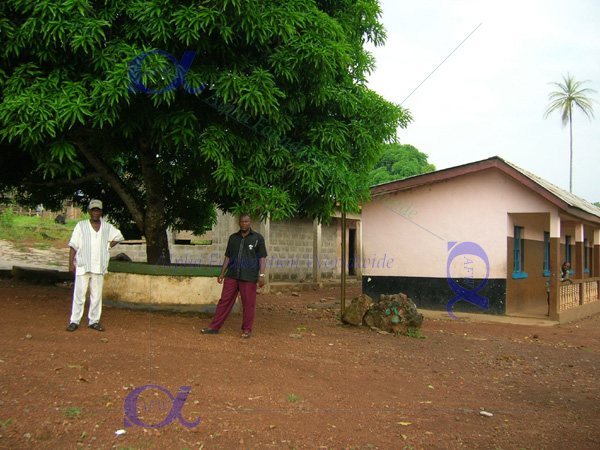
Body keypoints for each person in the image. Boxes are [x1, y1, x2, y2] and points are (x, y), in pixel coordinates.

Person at [201, 214, 267, 339]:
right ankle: (214, 327)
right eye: (242, 222)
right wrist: (222, 273)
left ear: (250, 222)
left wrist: (262, 275)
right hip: (232, 275)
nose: (244, 224)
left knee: (248, 303)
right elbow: (228, 257)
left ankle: (247, 330)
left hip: (248, 276)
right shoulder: (233, 238)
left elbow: (262, 257)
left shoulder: (258, 238)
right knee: (224, 301)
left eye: (246, 221)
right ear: (239, 223)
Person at [66, 200, 124, 332]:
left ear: (101, 212)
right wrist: (71, 264)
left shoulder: (107, 227)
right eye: (93, 210)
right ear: (89, 212)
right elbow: (73, 246)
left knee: (96, 295)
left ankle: (94, 321)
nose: (96, 213)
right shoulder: (81, 226)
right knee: (79, 294)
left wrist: (108, 245)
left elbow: (119, 236)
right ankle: (74, 321)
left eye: (98, 210)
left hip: (99, 265)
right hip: (82, 264)